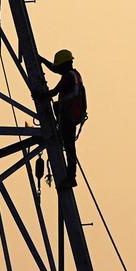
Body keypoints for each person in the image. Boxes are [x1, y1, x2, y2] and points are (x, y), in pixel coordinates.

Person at [41, 49, 87, 187]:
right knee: (69, 146)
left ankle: (71, 177)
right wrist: (41, 59)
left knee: (69, 147)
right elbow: (55, 69)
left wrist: (40, 95)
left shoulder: (68, 77)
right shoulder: (74, 74)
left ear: (64, 65)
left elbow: (54, 92)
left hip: (68, 117)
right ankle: (70, 176)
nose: (58, 69)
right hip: (71, 116)